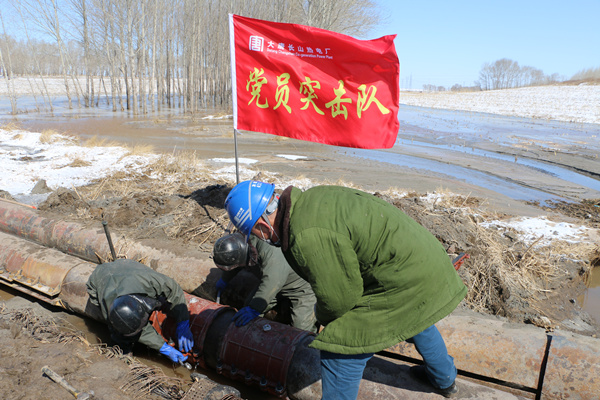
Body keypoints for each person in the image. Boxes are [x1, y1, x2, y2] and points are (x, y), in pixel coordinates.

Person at [224, 180, 467, 399]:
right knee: (414, 314)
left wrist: (323, 320)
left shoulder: (305, 234)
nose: (261, 238)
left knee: (340, 348)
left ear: (262, 225)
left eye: (254, 232)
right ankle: (444, 379)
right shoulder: (309, 201)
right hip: (425, 263)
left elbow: (339, 300)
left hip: (404, 275)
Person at [86, 259, 194, 364]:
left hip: (126, 266)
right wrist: (162, 347)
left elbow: (174, 289)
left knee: (160, 300)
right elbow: (139, 330)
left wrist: (183, 321)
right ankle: (122, 352)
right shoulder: (109, 308)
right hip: (99, 278)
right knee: (119, 331)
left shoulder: (148, 281)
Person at [213, 232, 318, 332]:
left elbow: (272, 282)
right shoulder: (241, 243)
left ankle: (314, 343)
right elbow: (236, 263)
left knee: (300, 328)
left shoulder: (270, 252)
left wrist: (254, 308)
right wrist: (224, 279)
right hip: (275, 283)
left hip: (302, 287)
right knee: (246, 309)